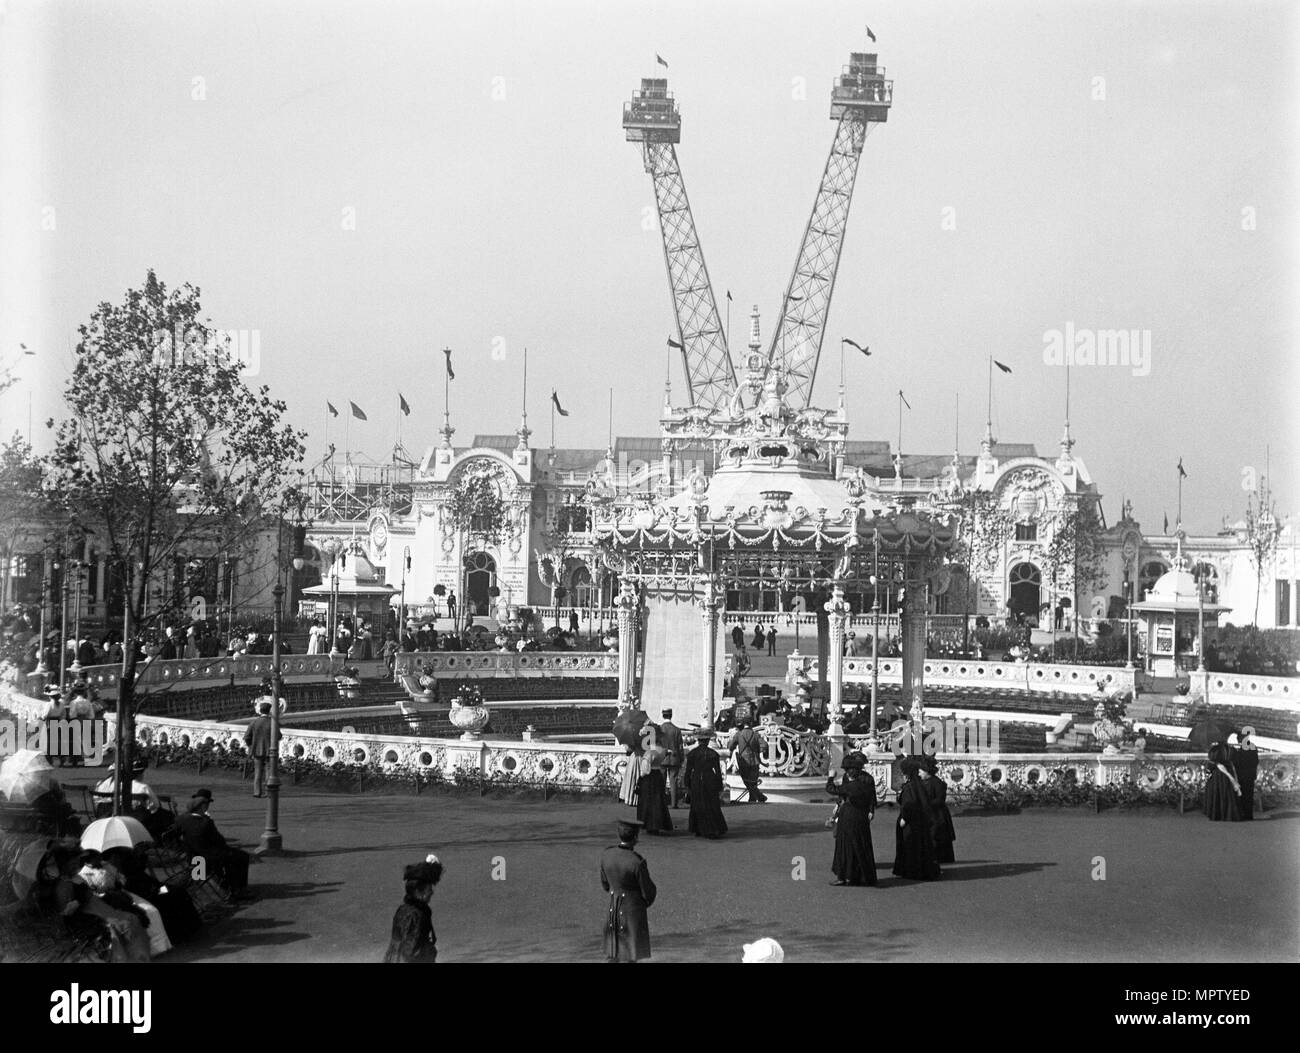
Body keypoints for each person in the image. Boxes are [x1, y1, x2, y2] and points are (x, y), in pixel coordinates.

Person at [167, 788, 253, 898]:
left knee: (231, 855)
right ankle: (237, 890)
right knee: (241, 856)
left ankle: (228, 884)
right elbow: (220, 841)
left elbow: (173, 835)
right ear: (202, 807)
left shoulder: (181, 819)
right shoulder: (206, 822)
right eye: (207, 805)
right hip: (208, 857)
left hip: (192, 856)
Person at [600, 819, 656, 962]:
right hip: (632, 910)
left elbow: (605, 884)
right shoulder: (637, 862)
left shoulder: (607, 855)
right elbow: (648, 892)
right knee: (631, 952)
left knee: (614, 950)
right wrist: (644, 902)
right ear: (636, 838)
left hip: (613, 907)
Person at [825, 751, 877, 886]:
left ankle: (844, 876)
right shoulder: (866, 782)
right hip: (861, 816)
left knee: (844, 846)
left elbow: (832, 789)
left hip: (848, 816)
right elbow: (871, 797)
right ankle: (858, 876)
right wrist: (870, 810)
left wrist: (830, 777)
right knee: (860, 845)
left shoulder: (850, 785)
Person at [384, 857, 443, 963]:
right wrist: (429, 951)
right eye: (428, 890)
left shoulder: (403, 909)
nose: (431, 893)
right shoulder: (416, 915)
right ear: (418, 892)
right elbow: (410, 950)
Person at [893, 757, 941, 880]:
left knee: (910, 846)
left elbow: (909, 804)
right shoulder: (918, 785)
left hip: (911, 821)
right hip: (920, 821)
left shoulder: (909, 787)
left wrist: (904, 817)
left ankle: (911, 870)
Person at [683, 729, 727, 839]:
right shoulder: (713, 754)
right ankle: (712, 828)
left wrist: (687, 784)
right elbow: (717, 771)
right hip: (709, 779)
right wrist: (720, 785)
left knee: (697, 804)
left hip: (697, 779)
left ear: (698, 741)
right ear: (707, 741)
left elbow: (688, 771)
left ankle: (698, 828)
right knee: (711, 805)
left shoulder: (692, 754)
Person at [920, 754, 956, 864]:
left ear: (927, 772)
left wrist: (925, 804)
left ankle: (937, 858)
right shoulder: (922, 783)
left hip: (937, 814)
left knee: (936, 836)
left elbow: (940, 800)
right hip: (928, 813)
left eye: (921, 771)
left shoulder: (938, 783)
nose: (919, 773)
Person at [635, 740, 673, 835]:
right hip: (658, 775)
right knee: (658, 800)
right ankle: (657, 824)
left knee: (648, 801)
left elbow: (645, 770)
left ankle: (650, 824)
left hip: (649, 777)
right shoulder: (662, 750)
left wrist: (640, 776)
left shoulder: (649, 752)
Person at [244, 699, 280, 798]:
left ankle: (257, 792)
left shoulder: (254, 722)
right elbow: (279, 736)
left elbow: (247, 737)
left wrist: (251, 745)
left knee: (258, 772)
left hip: (257, 750)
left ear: (260, 711)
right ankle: (268, 791)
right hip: (270, 750)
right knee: (269, 772)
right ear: (269, 711)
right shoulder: (272, 723)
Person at [727, 718, 767, 803]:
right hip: (754, 761)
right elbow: (764, 745)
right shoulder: (755, 734)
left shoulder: (739, 734)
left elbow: (731, 746)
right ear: (751, 724)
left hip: (743, 761)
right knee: (753, 781)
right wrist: (757, 751)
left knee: (747, 781)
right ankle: (756, 797)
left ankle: (757, 797)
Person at [1203, 742, 1242, 822]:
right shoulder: (1229, 752)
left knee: (1217, 795)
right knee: (1227, 795)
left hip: (1216, 776)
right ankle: (1228, 815)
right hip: (1225, 776)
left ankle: (1216, 814)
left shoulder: (1215, 751)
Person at [1232, 727, 1260, 820]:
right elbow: (1256, 761)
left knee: (1242, 795)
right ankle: (1249, 815)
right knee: (1249, 795)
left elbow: (1238, 763)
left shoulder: (1241, 750)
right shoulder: (1253, 747)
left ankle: (1243, 814)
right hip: (1251, 775)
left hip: (1242, 775)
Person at [659, 709, 685, 809]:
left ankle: (661, 802)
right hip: (674, 758)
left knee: (661, 782)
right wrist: (681, 758)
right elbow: (680, 746)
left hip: (662, 758)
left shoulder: (660, 729)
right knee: (673, 781)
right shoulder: (677, 730)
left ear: (663, 716)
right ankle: (674, 803)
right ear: (671, 716)